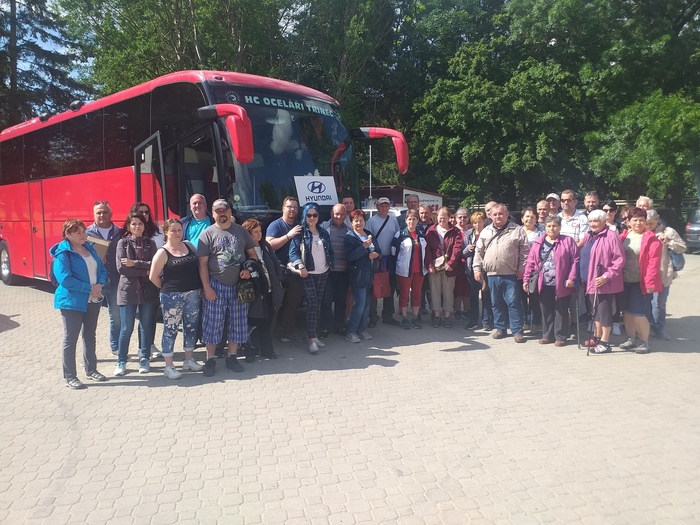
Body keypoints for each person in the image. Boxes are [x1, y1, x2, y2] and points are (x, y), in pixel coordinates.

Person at [197, 198, 258, 376]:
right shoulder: (207, 234)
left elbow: (253, 255)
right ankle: (210, 359)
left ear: (230, 211)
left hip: (239, 286)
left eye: (224, 210)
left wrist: (248, 269)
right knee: (212, 324)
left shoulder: (241, 231)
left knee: (237, 323)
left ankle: (232, 357)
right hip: (216, 285)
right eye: (218, 211)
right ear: (213, 213)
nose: (222, 214)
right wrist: (207, 288)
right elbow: (202, 264)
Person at [50, 219, 108, 389]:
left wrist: (100, 284)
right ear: (68, 234)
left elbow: (102, 269)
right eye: (78, 232)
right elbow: (65, 280)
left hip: (93, 299)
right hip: (71, 302)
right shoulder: (63, 253)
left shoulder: (90, 248)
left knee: (90, 335)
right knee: (71, 338)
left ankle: (91, 370)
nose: (83, 235)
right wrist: (89, 288)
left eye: (84, 231)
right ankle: (70, 377)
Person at [148, 219, 203, 378]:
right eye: (173, 230)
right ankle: (169, 366)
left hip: (193, 293)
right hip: (172, 296)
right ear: (166, 232)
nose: (177, 233)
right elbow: (153, 276)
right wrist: (168, 289)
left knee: (191, 327)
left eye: (179, 230)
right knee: (170, 329)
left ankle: (189, 360)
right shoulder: (162, 252)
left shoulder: (189, 245)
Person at [473, 204, 529, 342]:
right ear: (491, 216)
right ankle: (500, 328)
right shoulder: (485, 231)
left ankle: (517, 331)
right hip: (492, 274)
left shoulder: (517, 230)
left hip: (511, 274)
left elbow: (525, 252)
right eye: (495, 214)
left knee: (513, 302)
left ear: (506, 214)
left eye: (500, 214)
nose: (498, 216)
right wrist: (477, 269)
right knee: (496, 303)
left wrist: (522, 268)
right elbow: (478, 252)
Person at [114, 212, 159, 376]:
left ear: (144, 226)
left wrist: (134, 263)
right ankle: (121, 361)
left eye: (140, 223)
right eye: (133, 224)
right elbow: (122, 269)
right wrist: (144, 270)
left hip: (148, 291)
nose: (137, 226)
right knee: (126, 328)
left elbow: (154, 265)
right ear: (128, 226)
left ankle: (144, 359)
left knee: (146, 327)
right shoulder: (123, 243)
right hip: (127, 291)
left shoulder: (150, 243)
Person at [522, 215, 578, 346]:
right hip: (544, 282)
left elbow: (575, 260)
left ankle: (561, 336)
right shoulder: (538, 242)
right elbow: (531, 262)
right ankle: (547, 335)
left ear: (560, 227)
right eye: (548, 226)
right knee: (546, 309)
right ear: (545, 227)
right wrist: (526, 279)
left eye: (554, 226)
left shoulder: (568, 241)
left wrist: (572, 277)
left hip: (562, 282)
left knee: (561, 309)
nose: (551, 228)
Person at [289, 203, 334, 354]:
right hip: (308, 274)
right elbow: (293, 252)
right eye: (309, 215)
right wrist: (300, 265)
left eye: (315, 215)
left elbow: (330, 251)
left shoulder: (323, 232)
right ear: (304, 216)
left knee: (318, 304)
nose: (312, 218)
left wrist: (331, 264)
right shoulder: (300, 232)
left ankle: (314, 334)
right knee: (312, 304)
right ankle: (312, 340)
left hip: (323, 273)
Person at [578, 210, 625, 354]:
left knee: (604, 313)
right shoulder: (589, 236)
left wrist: (606, 276)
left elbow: (619, 260)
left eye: (596, 221)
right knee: (595, 312)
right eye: (591, 221)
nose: (592, 224)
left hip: (604, 282)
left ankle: (605, 342)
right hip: (590, 281)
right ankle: (597, 338)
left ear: (604, 222)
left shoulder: (611, 236)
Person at [618, 207, 663, 354]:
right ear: (628, 222)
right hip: (624, 281)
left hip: (640, 282)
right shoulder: (624, 236)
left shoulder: (652, 239)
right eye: (635, 220)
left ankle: (645, 342)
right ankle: (631, 339)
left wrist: (650, 283)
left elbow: (653, 264)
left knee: (638, 314)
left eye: (641, 220)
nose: (638, 223)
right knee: (627, 312)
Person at [242, 218, 284, 360]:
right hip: (255, 292)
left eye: (260, 231)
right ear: (248, 234)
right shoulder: (244, 250)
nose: (259, 234)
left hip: (270, 290)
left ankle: (267, 350)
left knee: (267, 321)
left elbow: (276, 263)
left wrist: (279, 278)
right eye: (256, 232)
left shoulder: (265, 245)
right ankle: (251, 351)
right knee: (253, 323)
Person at [85, 200, 123, 356]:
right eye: (98, 212)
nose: (102, 215)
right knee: (90, 320)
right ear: (93, 214)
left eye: (105, 212)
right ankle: (88, 354)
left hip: (115, 280)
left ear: (111, 214)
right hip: (95, 283)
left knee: (117, 317)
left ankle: (116, 346)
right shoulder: (86, 233)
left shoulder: (120, 232)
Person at [266, 196, 304, 342]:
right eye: (289, 206)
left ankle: (287, 333)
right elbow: (269, 245)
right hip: (279, 270)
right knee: (276, 304)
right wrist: (289, 236)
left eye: (295, 207)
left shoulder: (300, 226)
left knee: (293, 304)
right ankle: (267, 336)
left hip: (295, 271)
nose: (292, 209)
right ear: (283, 208)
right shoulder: (275, 225)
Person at [646, 209, 686, 341]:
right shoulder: (642, 231)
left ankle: (659, 329)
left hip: (663, 273)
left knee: (659, 303)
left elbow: (682, 247)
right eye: (647, 223)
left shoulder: (668, 232)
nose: (648, 226)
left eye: (651, 223)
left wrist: (669, 241)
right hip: (646, 274)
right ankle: (648, 327)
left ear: (657, 220)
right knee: (647, 303)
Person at [130, 202, 164, 359]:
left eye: (146, 212)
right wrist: (145, 268)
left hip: (156, 278)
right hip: (140, 280)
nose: (144, 215)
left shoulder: (158, 232)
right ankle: (142, 347)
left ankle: (150, 344)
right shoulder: (131, 234)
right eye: (140, 212)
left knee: (152, 314)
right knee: (143, 316)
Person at [424, 207, 464, 328]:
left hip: (449, 267)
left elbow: (457, 248)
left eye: (444, 217)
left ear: (449, 218)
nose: (442, 220)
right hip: (435, 266)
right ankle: (436, 316)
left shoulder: (455, 231)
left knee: (448, 292)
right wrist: (429, 265)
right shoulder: (431, 230)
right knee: (434, 291)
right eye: (440, 217)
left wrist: (451, 263)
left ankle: (447, 316)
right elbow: (427, 249)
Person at [345, 209, 381, 343]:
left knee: (366, 304)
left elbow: (379, 251)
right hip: (358, 275)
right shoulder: (349, 237)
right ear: (351, 222)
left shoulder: (369, 234)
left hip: (370, 274)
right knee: (359, 304)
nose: (359, 223)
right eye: (356, 221)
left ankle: (362, 330)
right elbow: (350, 257)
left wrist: (376, 255)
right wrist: (364, 247)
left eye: (361, 220)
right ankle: (351, 332)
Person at [391, 209, 428, 329]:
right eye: (409, 219)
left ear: (418, 220)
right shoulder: (400, 235)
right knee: (404, 294)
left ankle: (415, 317)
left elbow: (426, 251)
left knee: (417, 294)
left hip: (419, 270)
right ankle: (405, 317)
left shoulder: (422, 235)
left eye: (414, 219)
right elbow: (393, 252)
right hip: (404, 270)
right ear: (406, 220)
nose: (412, 221)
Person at [367, 197, 400, 326]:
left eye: (386, 206)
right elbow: (368, 240)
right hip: (377, 258)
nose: (384, 208)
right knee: (374, 287)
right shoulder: (371, 221)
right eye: (381, 206)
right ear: (377, 207)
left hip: (390, 259)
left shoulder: (393, 220)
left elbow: (397, 237)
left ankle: (388, 315)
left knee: (390, 287)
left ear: (389, 207)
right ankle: (372, 317)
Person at [320, 203, 350, 337]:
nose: (339, 216)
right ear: (332, 214)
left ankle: (339, 326)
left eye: (342, 214)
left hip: (344, 271)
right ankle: (325, 327)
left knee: (341, 300)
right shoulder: (323, 228)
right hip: (328, 271)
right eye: (337, 214)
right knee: (326, 300)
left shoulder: (349, 230)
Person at [463, 211, 493, 331]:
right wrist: (467, 249)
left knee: (486, 296)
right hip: (471, 270)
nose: (477, 225)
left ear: (483, 222)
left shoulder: (489, 233)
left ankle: (486, 321)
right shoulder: (468, 234)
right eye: (474, 223)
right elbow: (462, 253)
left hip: (485, 269)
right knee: (473, 296)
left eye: (479, 222)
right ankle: (473, 320)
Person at [521, 207, 544, 332]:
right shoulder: (517, 232)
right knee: (521, 297)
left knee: (535, 297)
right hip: (520, 268)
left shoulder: (541, 233)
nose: (529, 219)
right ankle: (524, 321)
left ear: (536, 219)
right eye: (527, 216)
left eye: (532, 217)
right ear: (522, 219)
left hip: (535, 269)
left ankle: (535, 322)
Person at [452, 207, 470, 321]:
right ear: (456, 218)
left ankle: (467, 311)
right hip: (457, 264)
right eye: (460, 217)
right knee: (458, 290)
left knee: (467, 289)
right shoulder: (453, 230)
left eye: (465, 217)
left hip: (469, 264)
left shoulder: (472, 229)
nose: (462, 219)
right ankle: (457, 311)